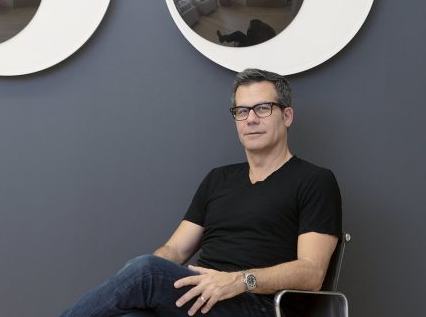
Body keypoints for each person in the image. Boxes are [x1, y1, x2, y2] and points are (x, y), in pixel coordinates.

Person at [60, 69, 342, 317]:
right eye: (242, 111)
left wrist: (238, 281)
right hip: (201, 296)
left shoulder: (314, 181)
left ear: (287, 116)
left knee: (146, 270)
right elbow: (175, 250)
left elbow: (311, 272)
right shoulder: (218, 179)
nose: (251, 119)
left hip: (260, 305)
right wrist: (153, 276)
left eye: (262, 108)